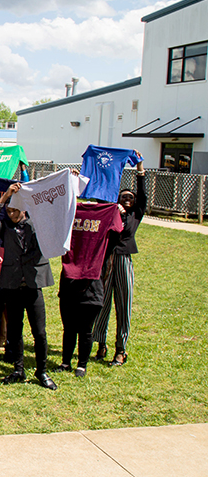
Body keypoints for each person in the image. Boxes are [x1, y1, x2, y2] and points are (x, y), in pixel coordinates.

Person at [0, 184, 57, 390]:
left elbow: (55, 214)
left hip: (33, 286)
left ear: (24, 209)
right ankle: (18, 369)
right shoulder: (5, 227)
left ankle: (42, 371)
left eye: (15, 210)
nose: (12, 214)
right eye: (9, 211)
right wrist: (5, 196)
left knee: (40, 332)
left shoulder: (37, 225)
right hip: (13, 286)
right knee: (15, 331)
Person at [93, 153, 146, 367]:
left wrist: (140, 167)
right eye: (122, 196)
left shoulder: (136, 214)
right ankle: (100, 344)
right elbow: (100, 194)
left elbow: (142, 194)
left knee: (124, 305)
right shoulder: (111, 212)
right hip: (107, 261)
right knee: (102, 303)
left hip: (124, 260)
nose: (126, 199)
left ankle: (121, 349)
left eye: (130, 197)